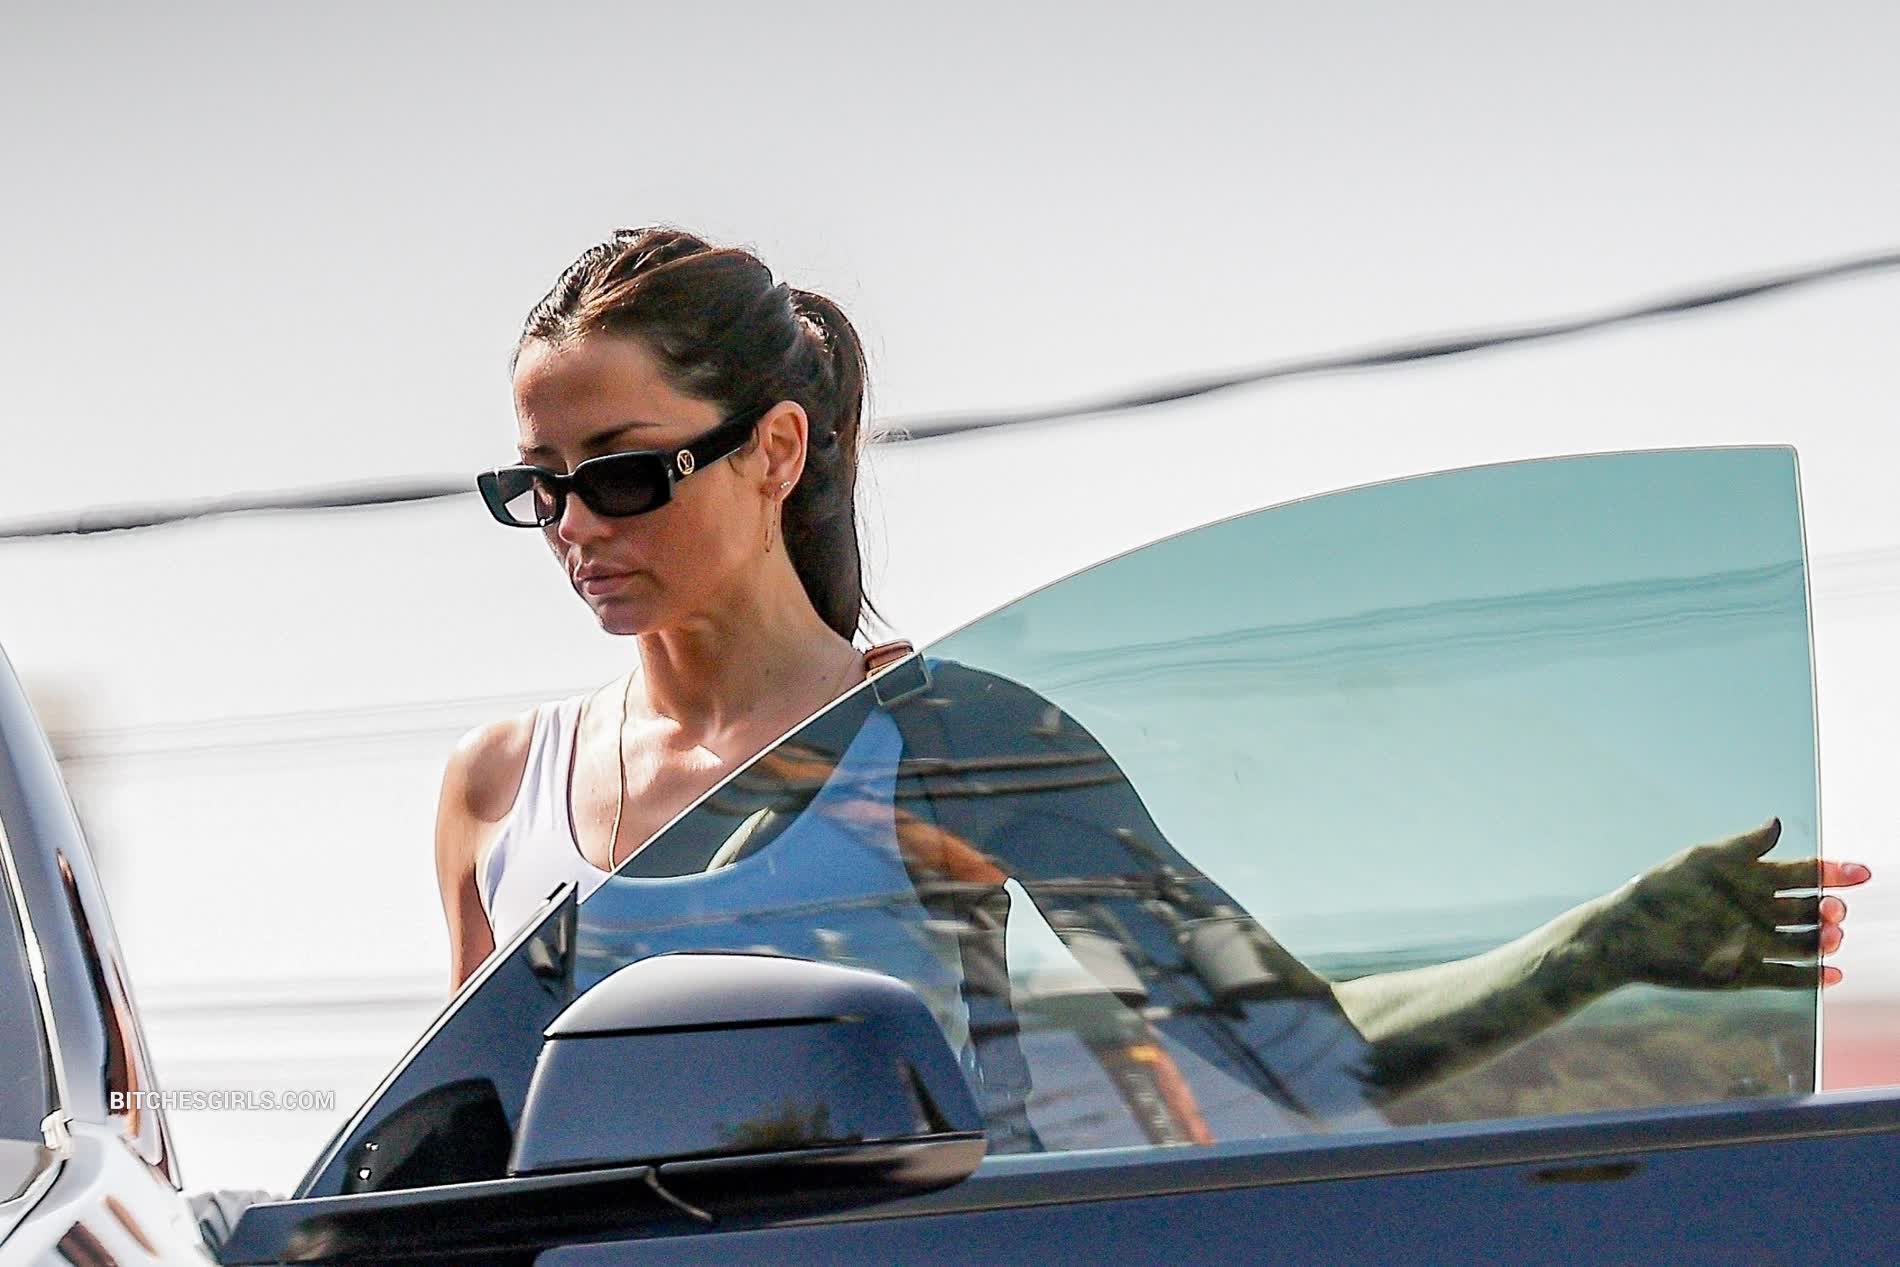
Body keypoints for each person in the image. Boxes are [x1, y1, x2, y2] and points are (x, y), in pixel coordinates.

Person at [434, 225, 1867, 1147]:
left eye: (623, 473)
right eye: (536, 484)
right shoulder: (499, 789)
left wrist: (1600, 944)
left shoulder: (953, 741)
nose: (576, 525)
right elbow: (447, 1153)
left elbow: (1298, 1051)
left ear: (776, 450)